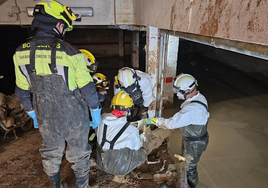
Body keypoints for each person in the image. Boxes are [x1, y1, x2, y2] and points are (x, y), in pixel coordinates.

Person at [13, 1, 101, 188]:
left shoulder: (20, 53)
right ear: (57, 24)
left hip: (45, 113)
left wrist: (31, 112)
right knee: (79, 154)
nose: (64, 31)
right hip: (74, 115)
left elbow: (21, 91)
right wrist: (95, 110)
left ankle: (56, 186)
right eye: (64, 26)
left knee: (50, 152)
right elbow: (87, 88)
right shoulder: (70, 52)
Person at [147, 73, 209, 188]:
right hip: (194, 139)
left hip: (194, 143)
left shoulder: (192, 109)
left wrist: (154, 121)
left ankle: (190, 185)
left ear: (188, 91)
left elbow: (171, 124)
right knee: (185, 162)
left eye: (179, 91)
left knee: (189, 168)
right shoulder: (199, 97)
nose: (177, 94)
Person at [95, 90, 172, 178]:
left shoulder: (103, 117)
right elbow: (137, 148)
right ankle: (141, 170)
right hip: (119, 168)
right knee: (143, 149)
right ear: (129, 109)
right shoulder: (130, 130)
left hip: (101, 162)